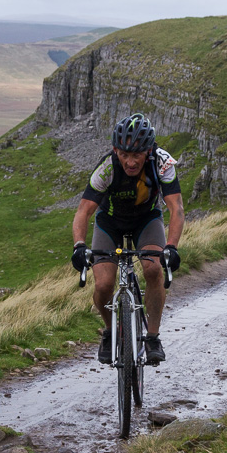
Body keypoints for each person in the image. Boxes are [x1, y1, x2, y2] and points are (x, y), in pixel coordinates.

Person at [71, 113, 185, 365]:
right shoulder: (107, 167)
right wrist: (79, 245)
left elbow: (175, 208)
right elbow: (84, 211)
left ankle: (152, 337)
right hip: (110, 222)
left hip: (146, 220)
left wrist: (171, 247)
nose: (130, 162)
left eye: (137, 155)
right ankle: (109, 331)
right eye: (124, 154)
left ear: (148, 151)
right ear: (115, 150)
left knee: (153, 269)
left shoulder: (162, 162)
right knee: (103, 285)